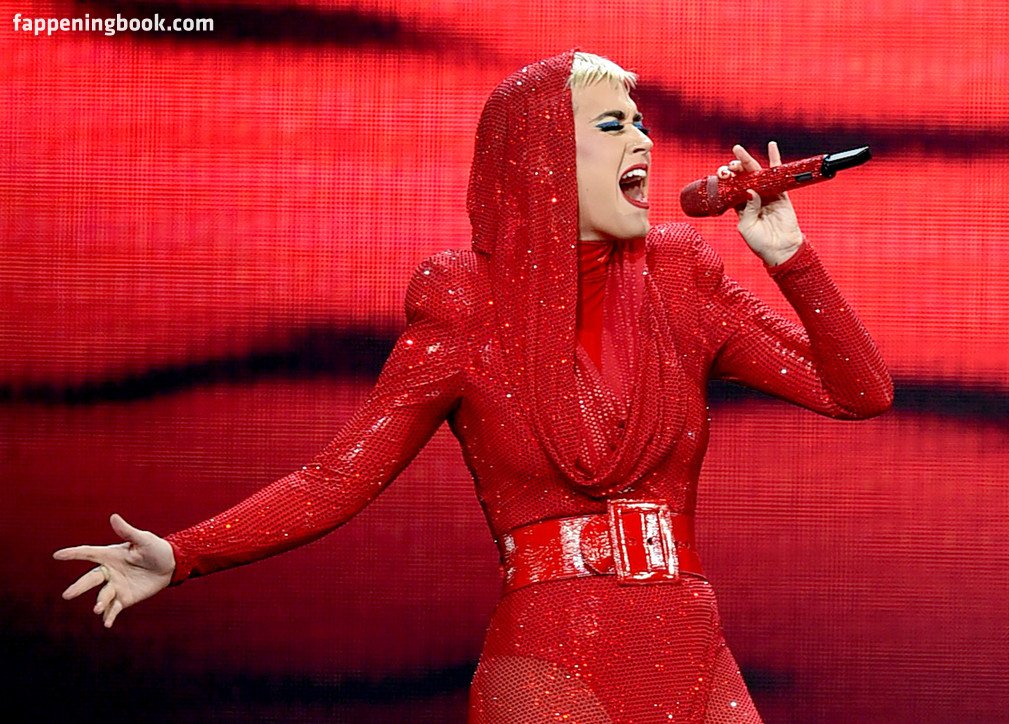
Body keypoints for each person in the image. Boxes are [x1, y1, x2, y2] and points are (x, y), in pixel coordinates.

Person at [55, 50, 892, 722]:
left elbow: (860, 391)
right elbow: (337, 477)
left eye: (642, 123)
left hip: (693, 657)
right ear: (542, 158)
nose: (642, 140)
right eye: (613, 125)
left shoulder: (681, 279)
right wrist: (186, 554)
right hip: (552, 670)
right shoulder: (467, 305)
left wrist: (790, 257)